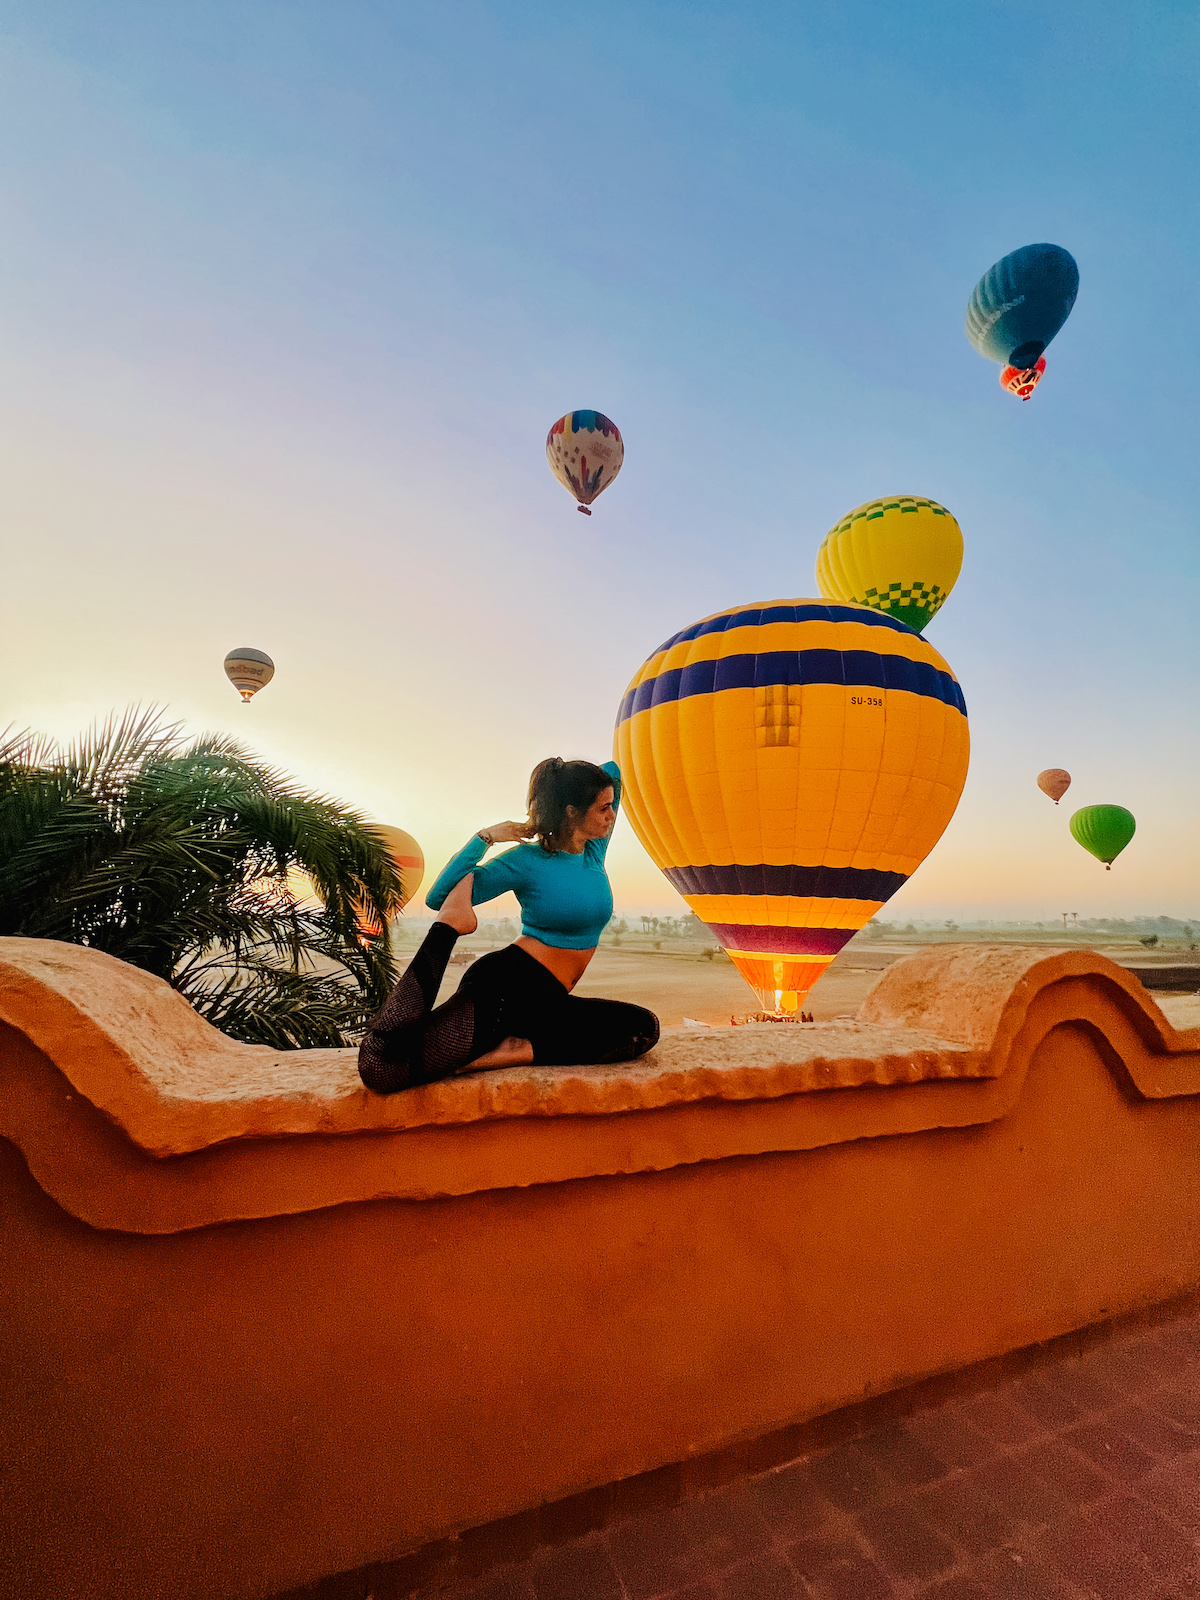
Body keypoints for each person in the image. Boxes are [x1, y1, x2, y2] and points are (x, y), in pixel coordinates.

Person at [357, 757, 659, 1093]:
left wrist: (559, 781)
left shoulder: (593, 850)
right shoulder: (525, 861)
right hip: (508, 988)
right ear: (573, 812)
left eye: (610, 805)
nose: (612, 814)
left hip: (548, 1001)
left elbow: (613, 771)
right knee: (384, 1067)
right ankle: (447, 931)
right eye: (604, 807)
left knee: (642, 1028)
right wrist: (486, 837)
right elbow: (438, 895)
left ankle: (518, 1050)